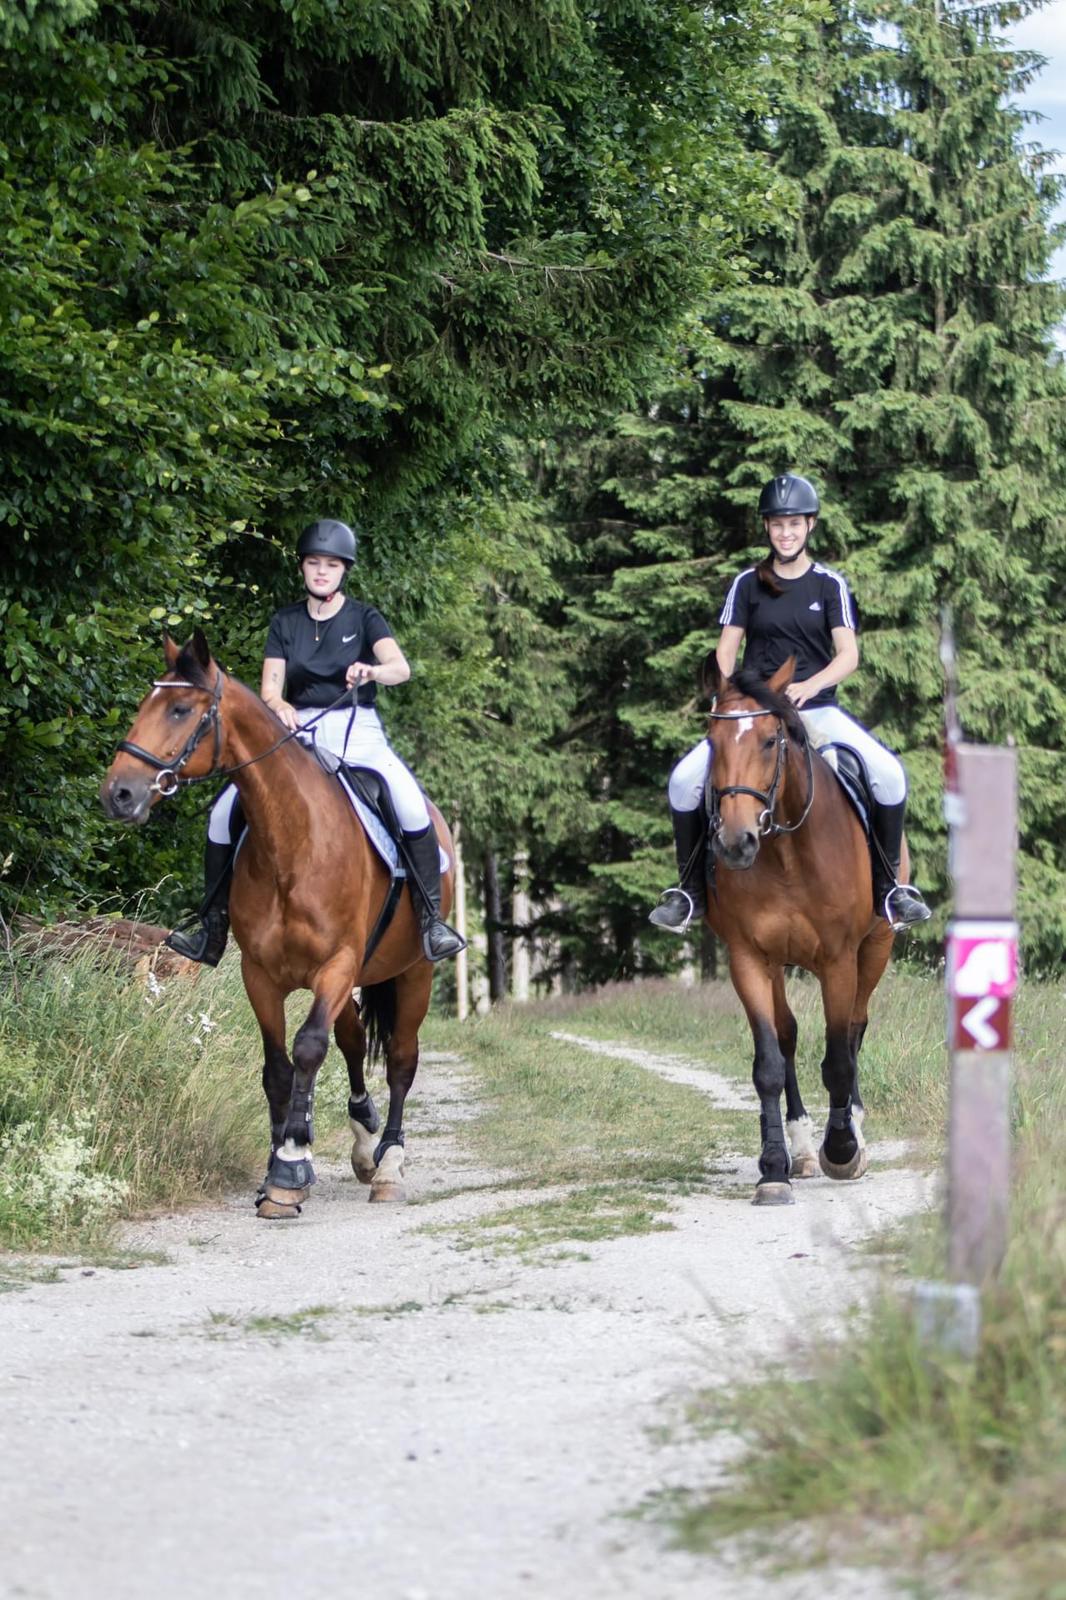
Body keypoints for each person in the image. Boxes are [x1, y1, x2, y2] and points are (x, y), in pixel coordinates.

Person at [165, 518, 466, 966]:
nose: (321, 572)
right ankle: (212, 927)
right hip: (296, 732)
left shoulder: (364, 618)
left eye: (330, 565)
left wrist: (372, 671)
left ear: (343, 570)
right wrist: (278, 706)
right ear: (303, 568)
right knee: (223, 811)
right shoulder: (285, 622)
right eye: (313, 563)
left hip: (356, 730)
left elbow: (400, 668)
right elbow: (270, 688)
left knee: (407, 803)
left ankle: (430, 922)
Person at [649, 473, 932, 934]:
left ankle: (889, 891)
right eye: (778, 525)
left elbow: (849, 656)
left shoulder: (829, 585)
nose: (786, 533)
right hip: (756, 714)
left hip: (816, 710)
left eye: (794, 524)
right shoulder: (746, 584)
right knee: (684, 781)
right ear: (767, 528)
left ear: (810, 526)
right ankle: (689, 893)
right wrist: (728, 694)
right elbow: (726, 650)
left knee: (890, 775)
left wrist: (808, 685)